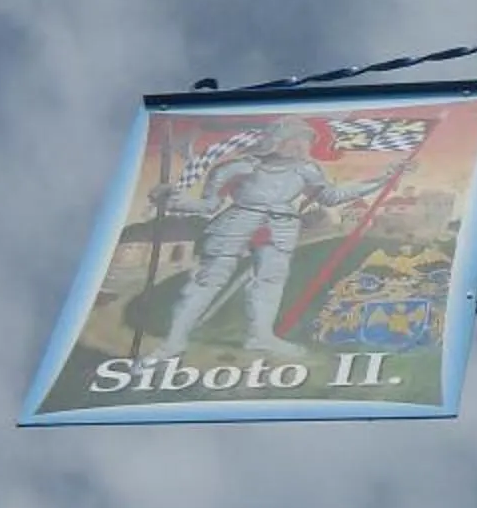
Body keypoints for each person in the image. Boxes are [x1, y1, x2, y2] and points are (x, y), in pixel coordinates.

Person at [156, 137, 374, 356]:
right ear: (274, 140)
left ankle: (261, 337)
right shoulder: (236, 168)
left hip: (280, 228)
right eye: (293, 139)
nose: (299, 146)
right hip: (235, 224)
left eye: (303, 141)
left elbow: (330, 196)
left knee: (270, 282)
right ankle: (174, 341)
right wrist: (173, 200)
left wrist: (381, 180)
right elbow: (208, 204)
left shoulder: (306, 170)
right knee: (208, 280)